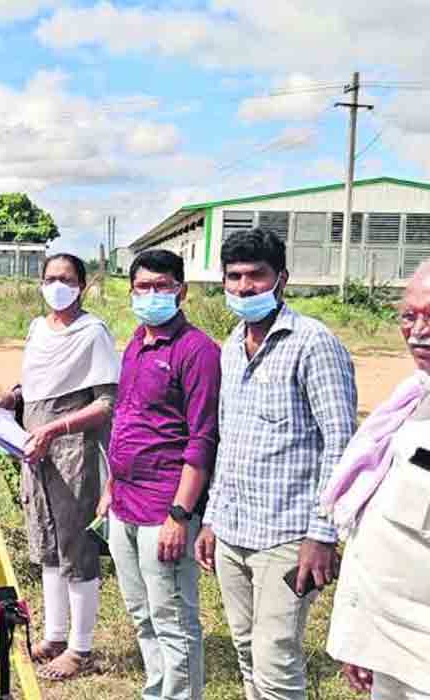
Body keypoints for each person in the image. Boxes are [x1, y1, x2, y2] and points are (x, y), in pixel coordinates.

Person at [194, 228, 357, 700]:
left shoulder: (313, 344)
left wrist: (322, 535)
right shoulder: (230, 346)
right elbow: (230, 441)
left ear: (281, 279)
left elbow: (341, 445)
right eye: (234, 277)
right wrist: (213, 520)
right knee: (247, 652)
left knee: (276, 658)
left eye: (256, 276)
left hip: (288, 536)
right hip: (234, 531)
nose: (244, 288)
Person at [0, 253, 119, 681]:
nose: (57, 286)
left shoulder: (93, 332)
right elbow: (36, 384)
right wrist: (13, 398)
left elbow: (106, 403)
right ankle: (55, 634)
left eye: (66, 279)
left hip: (72, 451)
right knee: (46, 544)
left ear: (82, 285)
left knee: (76, 547)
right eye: (50, 278)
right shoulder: (36, 328)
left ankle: (81, 649)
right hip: (36, 447)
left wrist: (57, 427)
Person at [101, 249, 220, 699]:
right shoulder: (134, 343)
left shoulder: (198, 351)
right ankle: (158, 691)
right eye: (143, 287)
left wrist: (179, 514)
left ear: (181, 290)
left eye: (162, 286)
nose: (152, 295)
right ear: (130, 291)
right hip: (123, 505)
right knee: (141, 612)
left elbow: (202, 438)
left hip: (163, 509)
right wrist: (110, 488)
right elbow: (128, 420)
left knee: (173, 617)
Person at [322, 261, 430, 699]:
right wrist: (359, 637)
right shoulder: (411, 400)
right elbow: (380, 538)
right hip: (389, 644)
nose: (419, 331)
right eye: (410, 315)